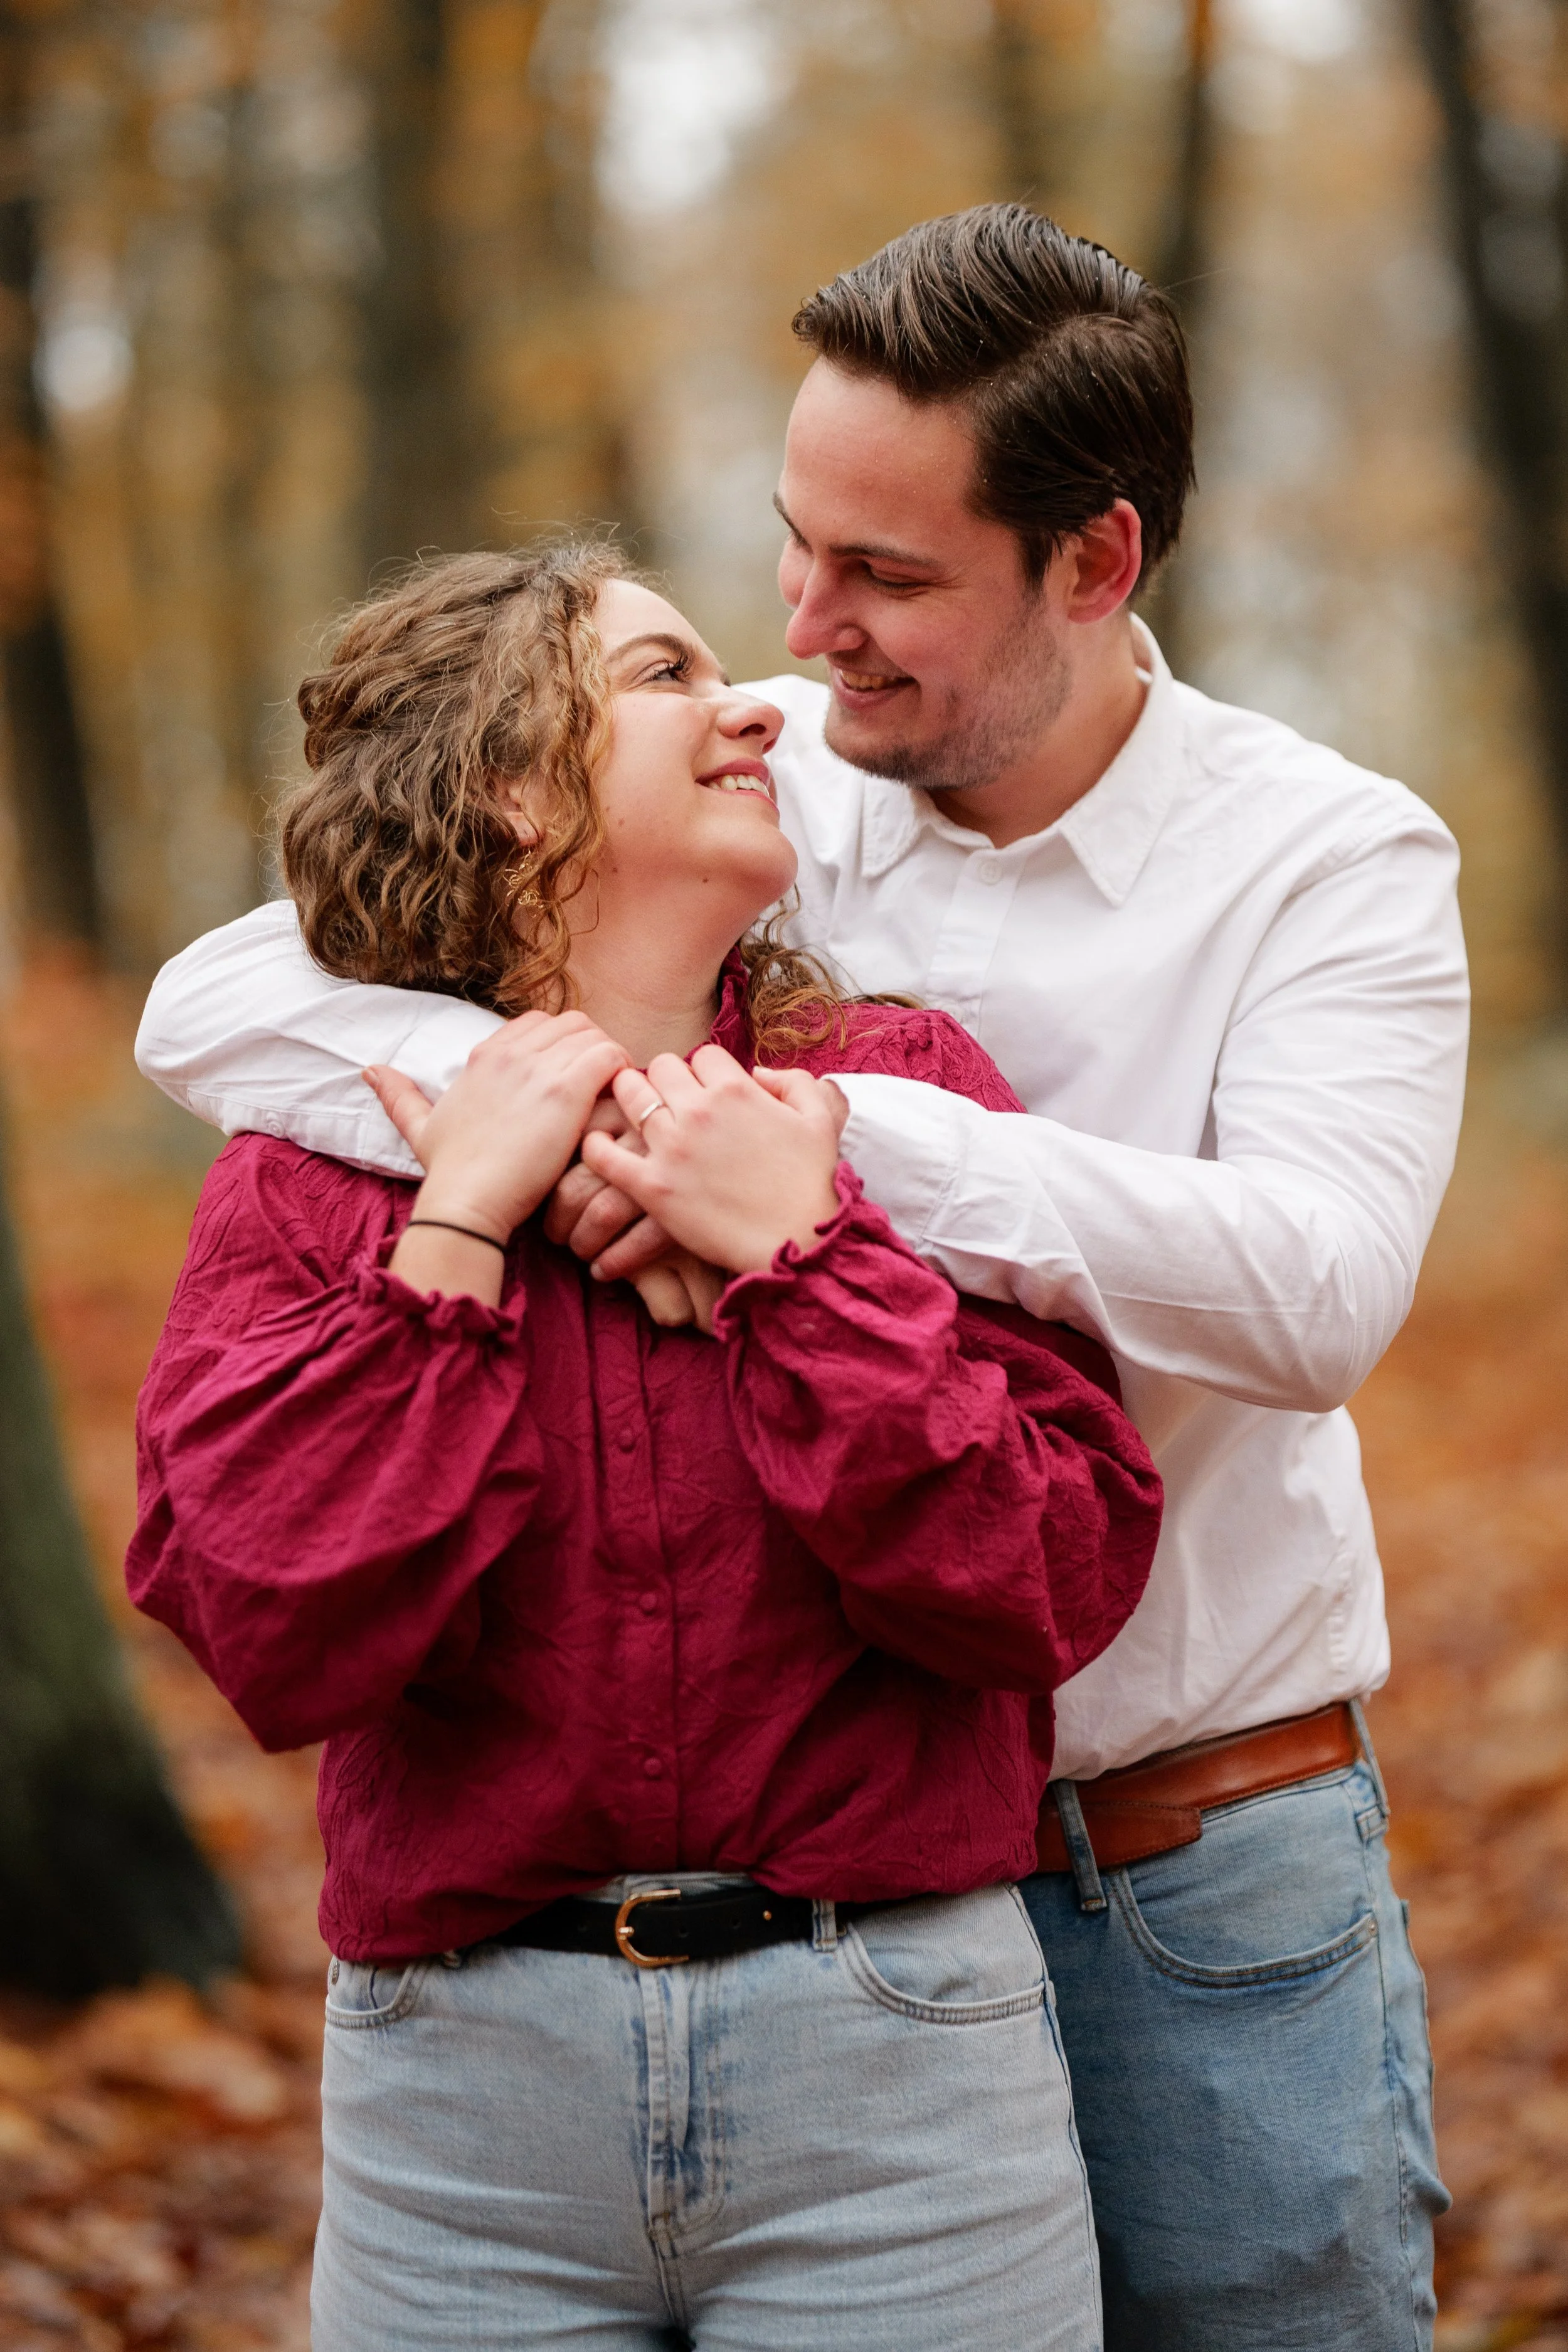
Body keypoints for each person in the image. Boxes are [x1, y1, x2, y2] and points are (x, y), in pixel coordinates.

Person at [136, 206, 1468, 2350]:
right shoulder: (768, 768)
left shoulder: (1324, 859)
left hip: (1171, 1845)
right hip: (763, 1890)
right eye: (792, 547)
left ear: (1094, 566)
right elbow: (217, 998)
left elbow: (1317, 1293)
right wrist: (561, 1120)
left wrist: (825, 1162)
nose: (803, 631)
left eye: (886, 577)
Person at [129, 542, 1162, 2352]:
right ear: (508, 787)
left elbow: (1044, 1577)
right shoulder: (315, 1157)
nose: (756, 700)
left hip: (898, 2080)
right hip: (464, 2107)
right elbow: (278, 1629)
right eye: (666, 674)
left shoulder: (899, 1097)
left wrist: (800, 1263)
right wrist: (452, 1232)